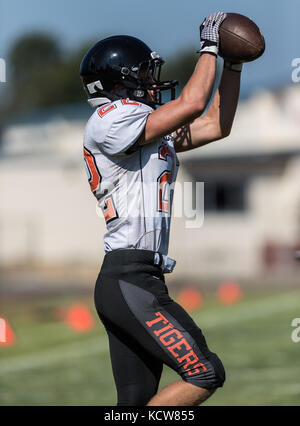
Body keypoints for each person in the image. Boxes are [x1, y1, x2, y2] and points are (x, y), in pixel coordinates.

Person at [80, 12, 241, 406]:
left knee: (133, 403)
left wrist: (233, 63)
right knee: (205, 371)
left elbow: (216, 124)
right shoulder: (109, 120)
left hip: (138, 276)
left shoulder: (145, 129)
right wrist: (210, 45)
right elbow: (192, 102)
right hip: (129, 276)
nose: (153, 83)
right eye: (145, 75)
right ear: (121, 82)